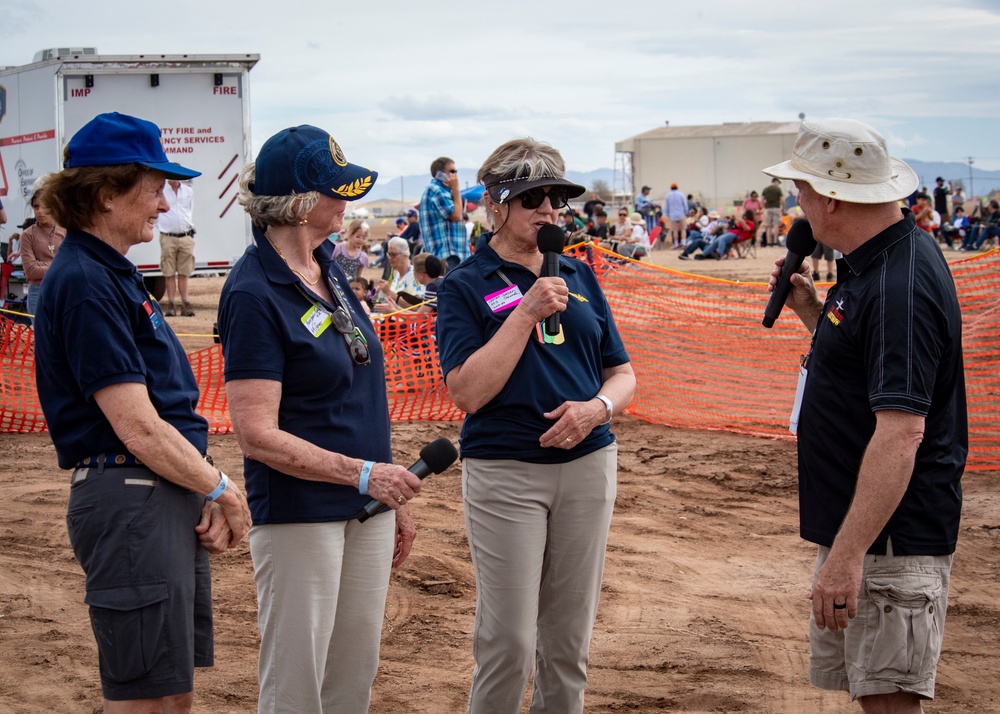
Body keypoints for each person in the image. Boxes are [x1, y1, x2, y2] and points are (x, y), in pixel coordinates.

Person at [32, 111, 252, 713]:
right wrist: (224, 490)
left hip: (152, 493)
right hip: (132, 495)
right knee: (146, 702)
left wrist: (200, 487)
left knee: (169, 694)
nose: (164, 204)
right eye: (155, 188)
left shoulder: (109, 274)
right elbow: (137, 425)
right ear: (106, 194)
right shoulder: (85, 281)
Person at [216, 124, 424, 714]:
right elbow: (257, 435)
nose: (347, 203)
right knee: (297, 681)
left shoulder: (328, 266)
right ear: (303, 204)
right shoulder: (254, 291)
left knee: (352, 674)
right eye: (337, 191)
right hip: (302, 512)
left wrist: (388, 495)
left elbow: (361, 389)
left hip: (365, 504)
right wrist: (365, 476)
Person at [763, 118, 966, 712]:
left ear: (830, 196)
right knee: (867, 689)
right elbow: (866, 370)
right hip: (867, 530)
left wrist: (848, 557)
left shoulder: (900, 283)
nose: (794, 201)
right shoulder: (873, 261)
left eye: (800, 189)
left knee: (886, 701)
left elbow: (902, 434)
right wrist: (811, 311)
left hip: (888, 542)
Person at [436, 137, 636, 713]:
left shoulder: (579, 273)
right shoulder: (465, 284)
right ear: (496, 204)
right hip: (506, 474)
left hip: (588, 465)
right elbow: (468, 392)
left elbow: (621, 374)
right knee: (509, 642)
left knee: (569, 641)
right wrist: (525, 311)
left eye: (557, 198)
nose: (550, 210)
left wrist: (597, 409)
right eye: (533, 199)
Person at [19, 186, 67, 323]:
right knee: (40, 340)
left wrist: (42, 264)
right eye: (36, 207)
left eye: (44, 206)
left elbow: (71, 264)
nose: (39, 211)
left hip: (62, 289)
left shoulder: (66, 231)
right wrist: (58, 265)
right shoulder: (27, 235)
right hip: (37, 292)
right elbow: (31, 271)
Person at [419, 156, 468, 270]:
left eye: (456, 171)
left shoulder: (441, 191)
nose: (454, 175)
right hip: (447, 255)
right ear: (438, 173)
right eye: (451, 171)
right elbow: (457, 216)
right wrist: (456, 189)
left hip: (448, 255)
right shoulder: (436, 190)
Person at [157, 178, 197, 316]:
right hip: (168, 236)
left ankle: (185, 303)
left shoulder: (188, 191)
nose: (173, 179)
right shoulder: (162, 191)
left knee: (184, 272)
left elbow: (190, 209)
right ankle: (171, 303)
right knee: (168, 272)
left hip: (185, 236)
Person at [374, 235, 420, 313]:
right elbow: (378, 304)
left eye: (393, 254)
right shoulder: (396, 276)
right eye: (388, 254)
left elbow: (417, 309)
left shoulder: (416, 277)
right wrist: (378, 295)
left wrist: (389, 292)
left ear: (406, 255)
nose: (389, 258)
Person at [662, 182, 687, 249]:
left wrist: (668, 214)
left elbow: (666, 207)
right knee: (683, 229)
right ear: (677, 188)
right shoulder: (681, 194)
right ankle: (683, 242)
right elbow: (685, 204)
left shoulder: (668, 195)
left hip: (672, 215)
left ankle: (676, 244)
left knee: (674, 230)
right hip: (681, 214)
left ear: (671, 188)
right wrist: (686, 212)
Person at [761, 177, 784, 248]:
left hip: (768, 209)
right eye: (778, 183)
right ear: (776, 182)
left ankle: (768, 243)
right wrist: (783, 208)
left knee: (768, 226)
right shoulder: (778, 189)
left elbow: (761, 199)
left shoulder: (766, 189)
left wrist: (764, 207)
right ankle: (775, 243)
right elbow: (782, 199)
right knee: (776, 225)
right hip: (776, 208)